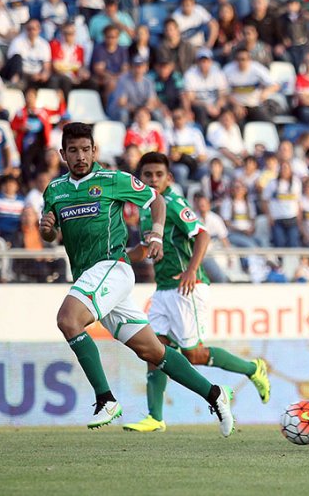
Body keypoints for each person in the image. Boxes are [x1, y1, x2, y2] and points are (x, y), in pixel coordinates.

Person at [40, 122, 235, 433]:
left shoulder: (112, 180)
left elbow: (156, 200)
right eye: (73, 150)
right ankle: (215, 394)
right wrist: (47, 229)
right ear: (63, 154)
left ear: (95, 151)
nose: (80, 156)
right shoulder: (55, 190)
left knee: (68, 320)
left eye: (85, 150)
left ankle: (106, 399)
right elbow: (51, 235)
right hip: (90, 277)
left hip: (111, 269)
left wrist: (155, 235)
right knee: (153, 352)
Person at [122, 152, 270, 433]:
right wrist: (122, 258)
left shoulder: (174, 203)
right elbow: (145, 248)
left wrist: (191, 270)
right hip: (163, 289)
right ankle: (155, 417)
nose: (153, 180)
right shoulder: (146, 209)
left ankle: (253, 369)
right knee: (154, 351)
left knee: (194, 355)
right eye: (148, 175)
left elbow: (202, 234)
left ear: (169, 177)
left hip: (186, 288)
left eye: (158, 175)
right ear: (140, 178)